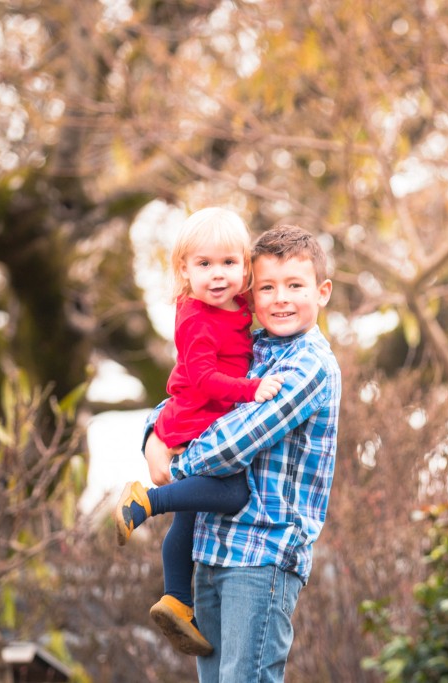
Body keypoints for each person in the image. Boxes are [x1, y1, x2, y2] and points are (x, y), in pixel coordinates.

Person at [142, 223, 340, 682]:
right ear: (250, 291)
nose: (280, 299)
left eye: (295, 286)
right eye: (267, 287)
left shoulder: (307, 363)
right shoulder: (251, 349)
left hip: (261, 555)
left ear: (322, 292)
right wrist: (154, 434)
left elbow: (232, 445)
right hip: (210, 549)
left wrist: (174, 463)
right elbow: (190, 395)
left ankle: (147, 505)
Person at [114, 207, 284, 656]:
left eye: (229, 263)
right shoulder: (195, 320)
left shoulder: (238, 302)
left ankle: (175, 598)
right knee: (230, 495)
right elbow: (206, 379)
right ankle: (147, 501)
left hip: (202, 418)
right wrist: (252, 389)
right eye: (204, 264)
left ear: (244, 268)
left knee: (190, 518)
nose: (217, 275)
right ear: (184, 270)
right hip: (196, 420)